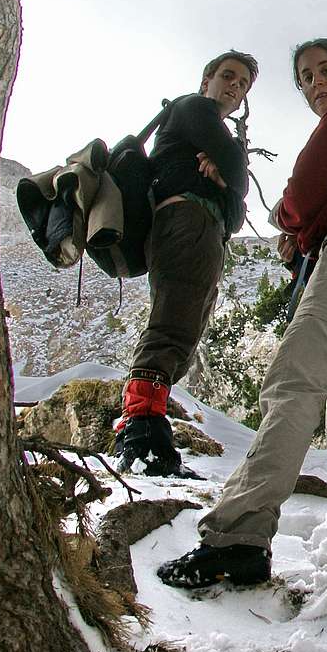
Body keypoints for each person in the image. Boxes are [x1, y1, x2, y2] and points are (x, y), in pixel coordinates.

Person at [158, 39, 327, 591]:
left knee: (293, 386)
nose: (316, 84)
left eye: (326, 71)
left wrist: (285, 215)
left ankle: (237, 538)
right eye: (305, 78)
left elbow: (300, 195)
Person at [112, 50, 256, 476]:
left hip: (204, 227)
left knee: (183, 325)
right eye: (228, 76)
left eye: (243, 84)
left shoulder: (206, 129)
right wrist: (229, 168)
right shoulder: (192, 108)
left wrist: (228, 178)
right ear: (207, 78)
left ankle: (147, 428)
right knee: (173, 323)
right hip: (186, 220)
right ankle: (140, 433)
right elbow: (239, 175)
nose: (234, 87)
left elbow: (235, 213)